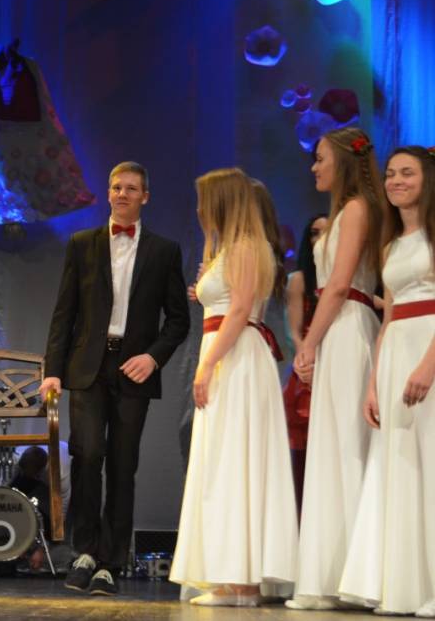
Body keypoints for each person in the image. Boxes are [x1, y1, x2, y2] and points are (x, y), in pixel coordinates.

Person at [41, 161, 189, 596]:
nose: (122, 194)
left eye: (131, 188)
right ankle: (84, 552)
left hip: (133, 368)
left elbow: (178, 321)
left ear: (145, 197)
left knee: (124, 465)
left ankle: (111, 562)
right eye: (116, 187)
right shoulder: (82, 244)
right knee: (87, 455)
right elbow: (64, 313)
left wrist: (153, 358)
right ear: (108, 193)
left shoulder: (164, 251)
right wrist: (53, 371)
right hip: (88, 366)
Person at [169, 169, 298, 606]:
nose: (200, 210)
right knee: (226, 460)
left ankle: (242, 581)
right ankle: (232, 576)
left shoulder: (244, 245)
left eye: (205, 201)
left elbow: (240, 310)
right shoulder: (232, 247)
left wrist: (206, 366)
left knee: (236, 459)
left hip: (236, 358)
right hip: (230, 353)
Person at [288, 127, 385, 610]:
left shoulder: (358, 209)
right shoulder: (346, 212)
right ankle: (328, 576)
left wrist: (309, 342)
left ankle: (354, 576)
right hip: (338, 330)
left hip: (347, 331)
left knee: (348, 446)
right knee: (330, 448)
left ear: (343, 161)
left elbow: (341, 285)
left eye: (321, 158)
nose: (314, 167)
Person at [338, 145, 435, 616]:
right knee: (400, 467)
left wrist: (428, 366)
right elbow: (391, 316)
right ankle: (404, 587)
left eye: (407, 173)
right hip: (396, 351)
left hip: (428, 348)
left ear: (428, 179)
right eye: (391, 173)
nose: (395, 181)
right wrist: (375, 382)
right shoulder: (392, 244)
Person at [282, 214, 328, 514]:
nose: (320, 239)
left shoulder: (349, 276)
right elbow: (294, 333)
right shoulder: (298, 279)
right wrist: (306, 364)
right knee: (305, 453)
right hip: (307, 370)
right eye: (314, 233)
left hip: (340, 362)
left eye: (327, 232)